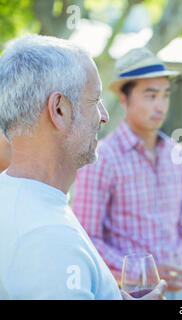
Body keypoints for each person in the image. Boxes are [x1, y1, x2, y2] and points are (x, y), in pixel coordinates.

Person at [0, 34, 166, 300]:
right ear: (59, 110)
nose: (104, 115)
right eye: (94, 100)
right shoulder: (48, 237)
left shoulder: (22, 200)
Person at [72, 47, 182, 300]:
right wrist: (143, 272)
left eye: (165, 95)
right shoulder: (102, 158)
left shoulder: (174, 153)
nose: (160, 105)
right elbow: (87, 237)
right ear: (124, 98)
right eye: (150, 96)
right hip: (134, 292)